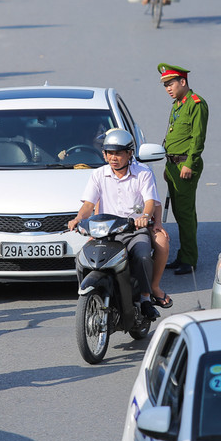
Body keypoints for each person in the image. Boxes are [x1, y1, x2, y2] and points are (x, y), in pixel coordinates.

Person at [66, 129, 162, 320]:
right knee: (80, 258)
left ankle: (144, 299)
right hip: (107, 233)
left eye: (118, 153)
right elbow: (88, 205)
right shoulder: (99, 174)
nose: (113, 158)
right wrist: (78, 219)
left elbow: (150, 201)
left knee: (143, 256)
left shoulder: (143, 173)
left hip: (134, 230)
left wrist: (144, 216)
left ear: (129, 153)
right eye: (109, 153)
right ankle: (87, 297)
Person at [159, 64, 209, 276]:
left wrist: (189, 163)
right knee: (181, 212)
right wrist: (168, 164)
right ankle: (183, 255)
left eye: (171, 83)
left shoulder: (196, 104)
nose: (168, 88)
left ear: (183, 82)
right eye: (165, 85)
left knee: (185, 214)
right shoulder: (178, 104)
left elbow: (198, 137)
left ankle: (189, 259)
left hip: (185, 165)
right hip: (173, 164)